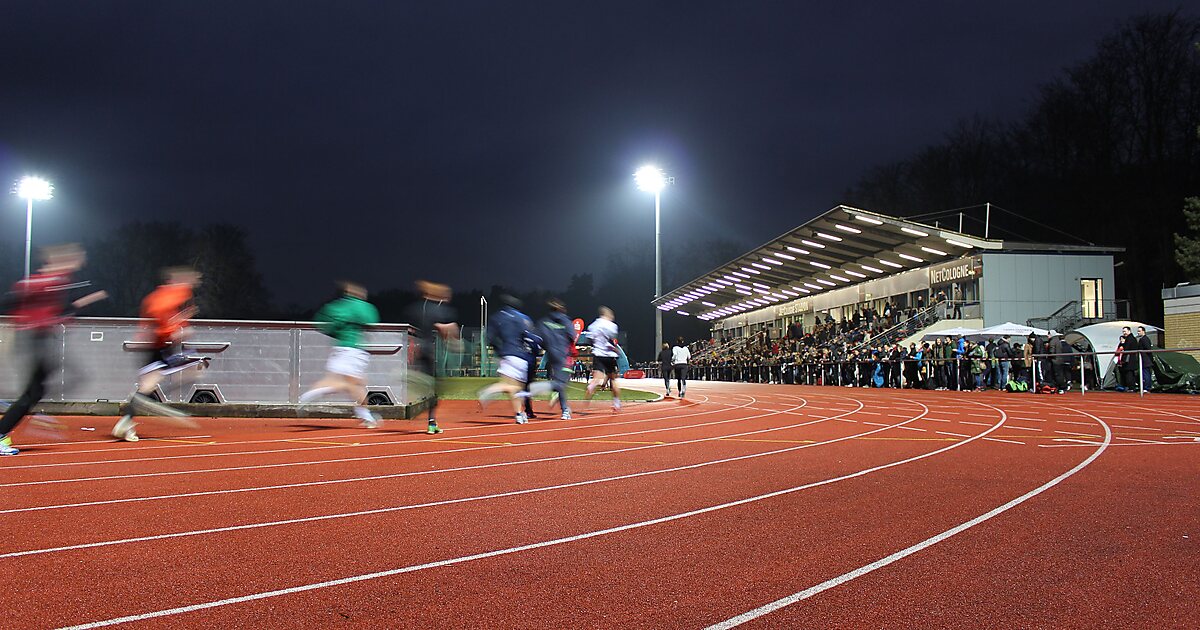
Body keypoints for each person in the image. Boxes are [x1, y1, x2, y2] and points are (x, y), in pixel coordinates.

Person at [1, 244, 107, 455]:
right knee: (66, 378)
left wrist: (83, 302)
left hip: (38, 338)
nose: (78, 263)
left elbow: (58, 310)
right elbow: (11, 300)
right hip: (34, 339)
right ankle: (10, 424)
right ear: (58, 260)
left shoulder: (58, 281)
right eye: (74, 259)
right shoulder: (42, 281)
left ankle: (15, 419)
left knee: (36, 391)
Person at [112, 266, 204, 442]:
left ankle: (130, 418)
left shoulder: (161, 296)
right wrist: (176, 327)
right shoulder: (174, 294)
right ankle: (137, 409)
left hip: (157, 346)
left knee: (152, 384)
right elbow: (161, 316)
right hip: (157, 346)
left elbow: (162, 316)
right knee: (150, 385)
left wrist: (179, 324)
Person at [296, 281, 382, 428]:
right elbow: (372, 321)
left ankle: (365, 416)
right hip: (354, 350)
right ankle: (309, 395)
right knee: (349, 384)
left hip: (341, 348)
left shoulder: (336, 307)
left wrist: (337, 331)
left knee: (356, 383)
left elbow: (322, 323)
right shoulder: (362, 306)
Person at [404, 280, 459, 434]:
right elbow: (441, 327)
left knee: (431, 388)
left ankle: (432, 423)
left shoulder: (417, 308)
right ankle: (430, 421)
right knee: (436, 388)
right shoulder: (439, 310)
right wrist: (452, 335)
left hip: (417, 349)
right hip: (428, 350)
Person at [478, 295, 541, 424]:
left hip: (507, 354)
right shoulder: (523, 318)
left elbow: (490, 337)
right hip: (521, 356)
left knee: (513, 387)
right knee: (516, 387)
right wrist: (536, 348)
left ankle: (519, 412)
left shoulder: (497, 317)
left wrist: (499, 351)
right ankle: (518, 413)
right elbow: (530, 337)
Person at [534, 298, 576, 419]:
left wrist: (548, 346)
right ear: (562, 309)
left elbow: (539, 339)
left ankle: (564, 409)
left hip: (552, 355)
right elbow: (572, 336)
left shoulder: (543, 322)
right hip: (564, 355)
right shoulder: (565, 320)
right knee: (562, 383)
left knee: (560, 381)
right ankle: (539, 388)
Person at [583, 306, 622, 410]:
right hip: (609, 356)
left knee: (596, 378)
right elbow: (613, 340)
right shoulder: (612, 326)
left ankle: (591, 386)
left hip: (598, 354)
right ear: (608, 315)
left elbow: (589, 340)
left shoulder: (593, 325)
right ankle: (616, 403)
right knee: (613, 380)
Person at [1135, 325, 1154, 392]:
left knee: (1146, 373)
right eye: (1138, 331)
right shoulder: (1144, 339)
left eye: (1139, 331)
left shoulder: (1144, 339)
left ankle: (1147, 387)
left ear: (1143, 331)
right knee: (1145, 373)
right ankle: (1146, 387)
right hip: (1145, 359)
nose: (1138, 332)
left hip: (1145, 360)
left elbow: (1148, 349)